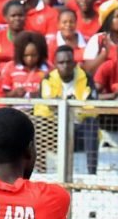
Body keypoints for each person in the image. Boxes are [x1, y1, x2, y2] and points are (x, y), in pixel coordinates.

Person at [38, 46, 99, 175]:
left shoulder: (86, 78)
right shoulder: (48, 79)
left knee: (91, 123)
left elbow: (91, 108)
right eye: (61, 62)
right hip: (55, 130)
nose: (65, 66)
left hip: (79, 129)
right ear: (55, 64)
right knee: (38, 124)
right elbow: (46, 106)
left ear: (74, 63)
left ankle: (92, 173)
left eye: (68, 62)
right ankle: (41, 173)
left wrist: (65, 105)